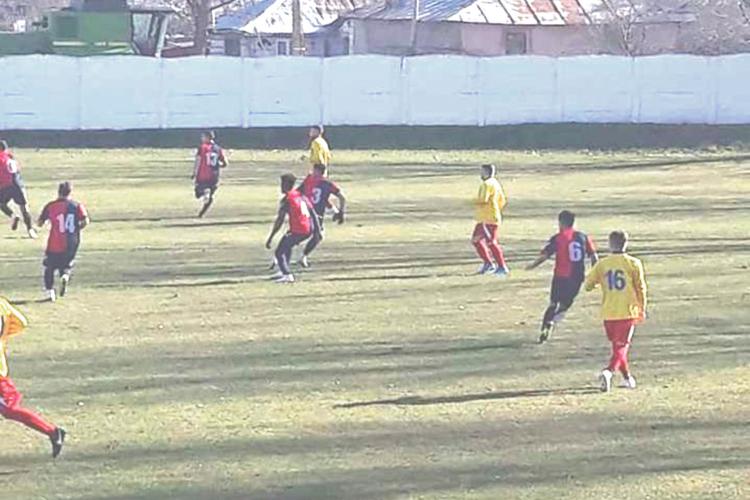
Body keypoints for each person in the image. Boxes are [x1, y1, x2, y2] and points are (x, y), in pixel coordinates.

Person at [0, 297, 66, 458]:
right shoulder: (2, 304)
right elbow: (21, 323)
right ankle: (53, 432)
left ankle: (53, 431)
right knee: (9, 409)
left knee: (10, 409)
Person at [584, 230, 648, 393]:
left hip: (608, 312)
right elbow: (641, 288)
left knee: (617, 348)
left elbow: (588, 286)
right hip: (627, 311)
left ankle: (628, 379)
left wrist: (598, 278)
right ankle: (609, 371)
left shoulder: (603, 264)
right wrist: (642, 307)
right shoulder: (633, 263)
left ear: (609, 244)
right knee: (621, 347)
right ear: (625, 244)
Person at [526, 210, 598, 344]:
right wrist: (596, 273)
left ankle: (546, 326)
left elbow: (545, 256)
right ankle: (553, 321)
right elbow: (594, 256)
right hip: (577, 277)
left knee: (553, 303)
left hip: (560, 276)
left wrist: (533, 265)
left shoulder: (558, 238)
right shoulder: (583, 237)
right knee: (565, 305)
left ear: (560, 223)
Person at [38, 182, 90, 302]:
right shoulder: (77, 206)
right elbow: (85, 221)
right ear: (70, 192)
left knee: (49, 267)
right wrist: (76, 229)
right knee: (66, 264)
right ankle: (65, 276)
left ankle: (50, 292)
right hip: (72, 241)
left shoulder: (50, 206)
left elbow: (40, 223)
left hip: (55, 242)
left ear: (58, 191)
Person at [265, 174, 320, 284]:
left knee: (279, 252)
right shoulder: (301, 196)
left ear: (286, 185)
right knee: (287, 246)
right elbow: (313, 213)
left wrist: (271, 237)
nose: (280, 187)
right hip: (308, 228)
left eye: (282, 184)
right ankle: (283, 271)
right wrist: (317, 230)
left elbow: (280, 220)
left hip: (299, 230)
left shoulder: (287, 199)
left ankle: (287, 275)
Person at [296, 163, 346, 268]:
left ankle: (286, 252)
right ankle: (298, 255)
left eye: (314, 170)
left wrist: (335, 211)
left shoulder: (309, 180)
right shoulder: (327, 184)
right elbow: (342, 198)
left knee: (306, 234)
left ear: (318, 171)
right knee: (316, 235)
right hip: (314, 214)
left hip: (305, 211)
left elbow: (321, 199)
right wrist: (341, 212)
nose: (312, 172)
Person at [472, 164, 509, 276]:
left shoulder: (487, 184)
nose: (480, 174)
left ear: (487, 172)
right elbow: (502, 200)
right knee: (476, 240)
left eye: (482, 172)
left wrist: (472, 202)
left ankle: (502, 266)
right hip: (486, 218)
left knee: (491, 242)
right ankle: (488, 263)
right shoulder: (496, 183)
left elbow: (483, 199)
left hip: (488, 219)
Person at [0, 140, 37, 239]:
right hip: (18, 185)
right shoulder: (10, 157)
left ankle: (13, 216)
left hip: (5, 186)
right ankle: (30, 230)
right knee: (24, 208)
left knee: (1, 204)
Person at [192, 131, 227, 218]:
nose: (202, 139)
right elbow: (225, 163)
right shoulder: (218, 149)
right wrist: (218, 165)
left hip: (203, 174)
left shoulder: (202, 147)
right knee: (210, 197)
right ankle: (201, 214)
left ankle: (205, 191)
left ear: (207, 138)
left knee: (198, 194)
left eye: (203, 137)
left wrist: (194, 173)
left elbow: (198, 160)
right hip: (214, 175)